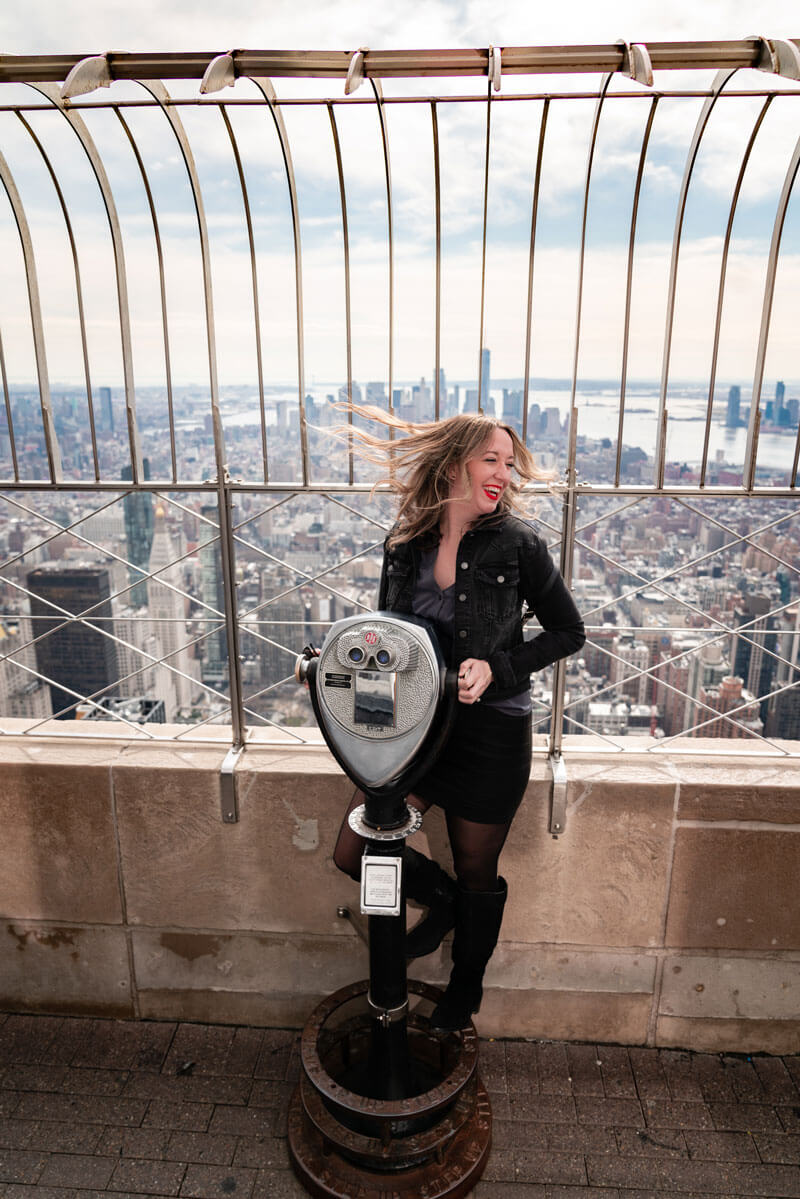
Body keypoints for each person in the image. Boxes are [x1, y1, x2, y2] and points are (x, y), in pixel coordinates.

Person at [331, 407, 585, 1030]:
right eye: (490, 460)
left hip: (492, 733)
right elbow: (387, 636)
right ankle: (439, 901)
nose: (503, 473)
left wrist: (496, 667)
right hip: (419, 730)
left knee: (478, 869)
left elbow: (568, 632)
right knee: (353, 848)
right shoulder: (407, 540)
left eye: (508, 463)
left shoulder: (519, 542)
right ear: (454, 463)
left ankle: (463, 993)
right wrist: (339, 667)